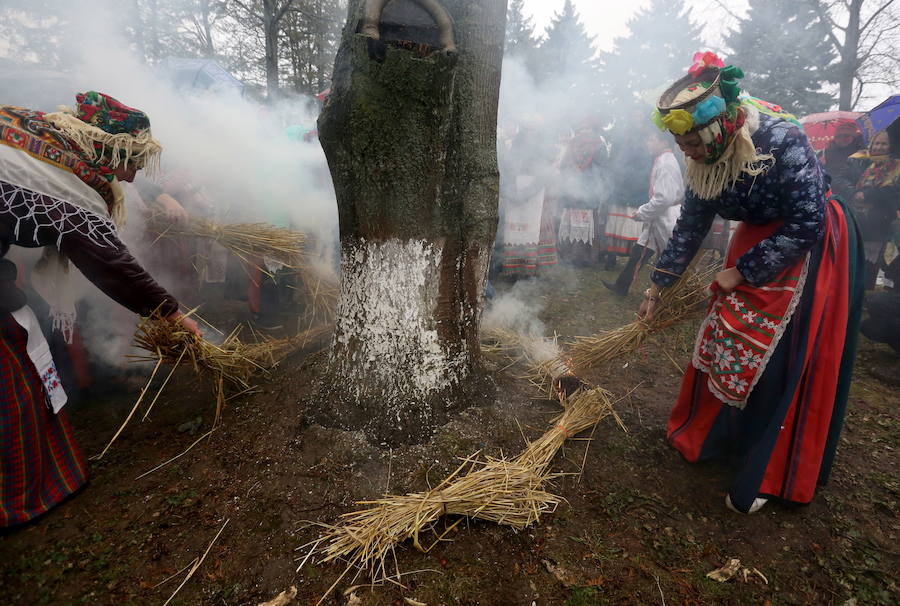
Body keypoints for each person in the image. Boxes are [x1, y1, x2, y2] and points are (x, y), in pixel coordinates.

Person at [640, 54, 864, 514]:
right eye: (680, 143)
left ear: (718, 128)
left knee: (777, 355)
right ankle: (718, 438)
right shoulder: (704, 157)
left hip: (808, 247)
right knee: (729, 340)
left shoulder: (781, 140)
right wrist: (656, 287)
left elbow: (808, 220)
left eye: (693, 143)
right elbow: (691, 223)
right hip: (754, 240)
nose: (687, 152)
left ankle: (767, 469)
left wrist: (741, 271)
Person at [0, 92, 199, 528]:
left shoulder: (48, 140)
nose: (130, 180)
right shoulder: (65, 183)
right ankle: (17, 500)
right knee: (11, 397)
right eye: (133, 166)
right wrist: (172, 313)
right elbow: (111, 262)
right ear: (113, 152)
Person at [603, 131, 683, 295]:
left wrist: (642, 212)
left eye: (651, 138)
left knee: (675, 258)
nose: (648, 142)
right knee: (638, 253)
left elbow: (663, 199)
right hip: (658, 217)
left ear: (663, 142)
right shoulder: (662, 160)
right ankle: (621, 286)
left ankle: (680, 293)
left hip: (667, 218)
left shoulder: (666, 163)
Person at [851, 129, 900, 288]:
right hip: (863, 227)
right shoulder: (869, 166)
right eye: (876, 143)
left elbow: (894, 193)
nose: (879, 147)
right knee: (857, 271)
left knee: (871, 273)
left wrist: (867, 194)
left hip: (883, 228)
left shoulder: (896, 166)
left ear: (891, 146)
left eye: (884, 143)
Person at [820, 121, 866, 201]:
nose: (842, 139)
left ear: (854, 136)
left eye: (846, 136)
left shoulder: (861, 152)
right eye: (839, 136)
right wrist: (820, 166)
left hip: (855, 197)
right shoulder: (826, 152)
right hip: (832, 195)